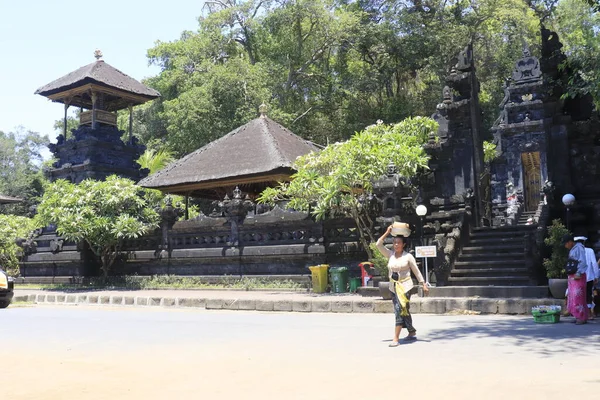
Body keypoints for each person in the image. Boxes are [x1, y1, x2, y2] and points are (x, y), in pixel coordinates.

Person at [376, 225, 429, 347]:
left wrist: (423, 284)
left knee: (399, 310)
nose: (396, 245)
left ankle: (395, 338)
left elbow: (416, 271)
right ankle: (411, 331)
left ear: (403, 244)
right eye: (394, 243)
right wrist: (387, 232)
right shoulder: (390, 254)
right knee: (403, 310)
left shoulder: (408, 256)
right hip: (393, 287)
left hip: (405, 286)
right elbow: (378, 244)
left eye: (398, 243)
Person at [562, 234, 588, 325]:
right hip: (572, 276)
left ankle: (581, 317)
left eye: (565, 244)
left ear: (570, 242)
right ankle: (577, 315)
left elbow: (582, 261)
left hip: (578, 275)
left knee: (578, 296)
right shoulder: (573, 249)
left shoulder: (579, 248)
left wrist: (578, 273)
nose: (565, 246)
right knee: (573, 296)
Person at [574, 236, 598, 320]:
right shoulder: (590, 251)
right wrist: (596, 276)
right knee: (588, 295)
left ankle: (579, 314)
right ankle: (589, 313)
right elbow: (594, 264)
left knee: (579, 295)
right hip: (589, 277)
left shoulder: (573, 251)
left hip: (578, 277)